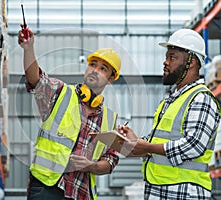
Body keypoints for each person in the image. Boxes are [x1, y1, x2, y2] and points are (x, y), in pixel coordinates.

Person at [18, 27, 121, 200]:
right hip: (47, 186)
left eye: (103, 69)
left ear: (110, 79)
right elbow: (35, 79)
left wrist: (91, 166)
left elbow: (110, 161)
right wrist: (28, 48)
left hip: (80, 192)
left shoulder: (110, 121)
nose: (95, 70)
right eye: (93, 65)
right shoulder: (61, 93)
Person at [119, 28, 221, 199]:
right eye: (166, 57)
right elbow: (162, 142)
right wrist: (136, 140)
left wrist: (148, 147)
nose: (165, 62)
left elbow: (193, 145)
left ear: (192, 62)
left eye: (172, 57)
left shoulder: (201, 98)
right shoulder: (170, 101)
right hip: (160, 189)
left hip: (184, 192)